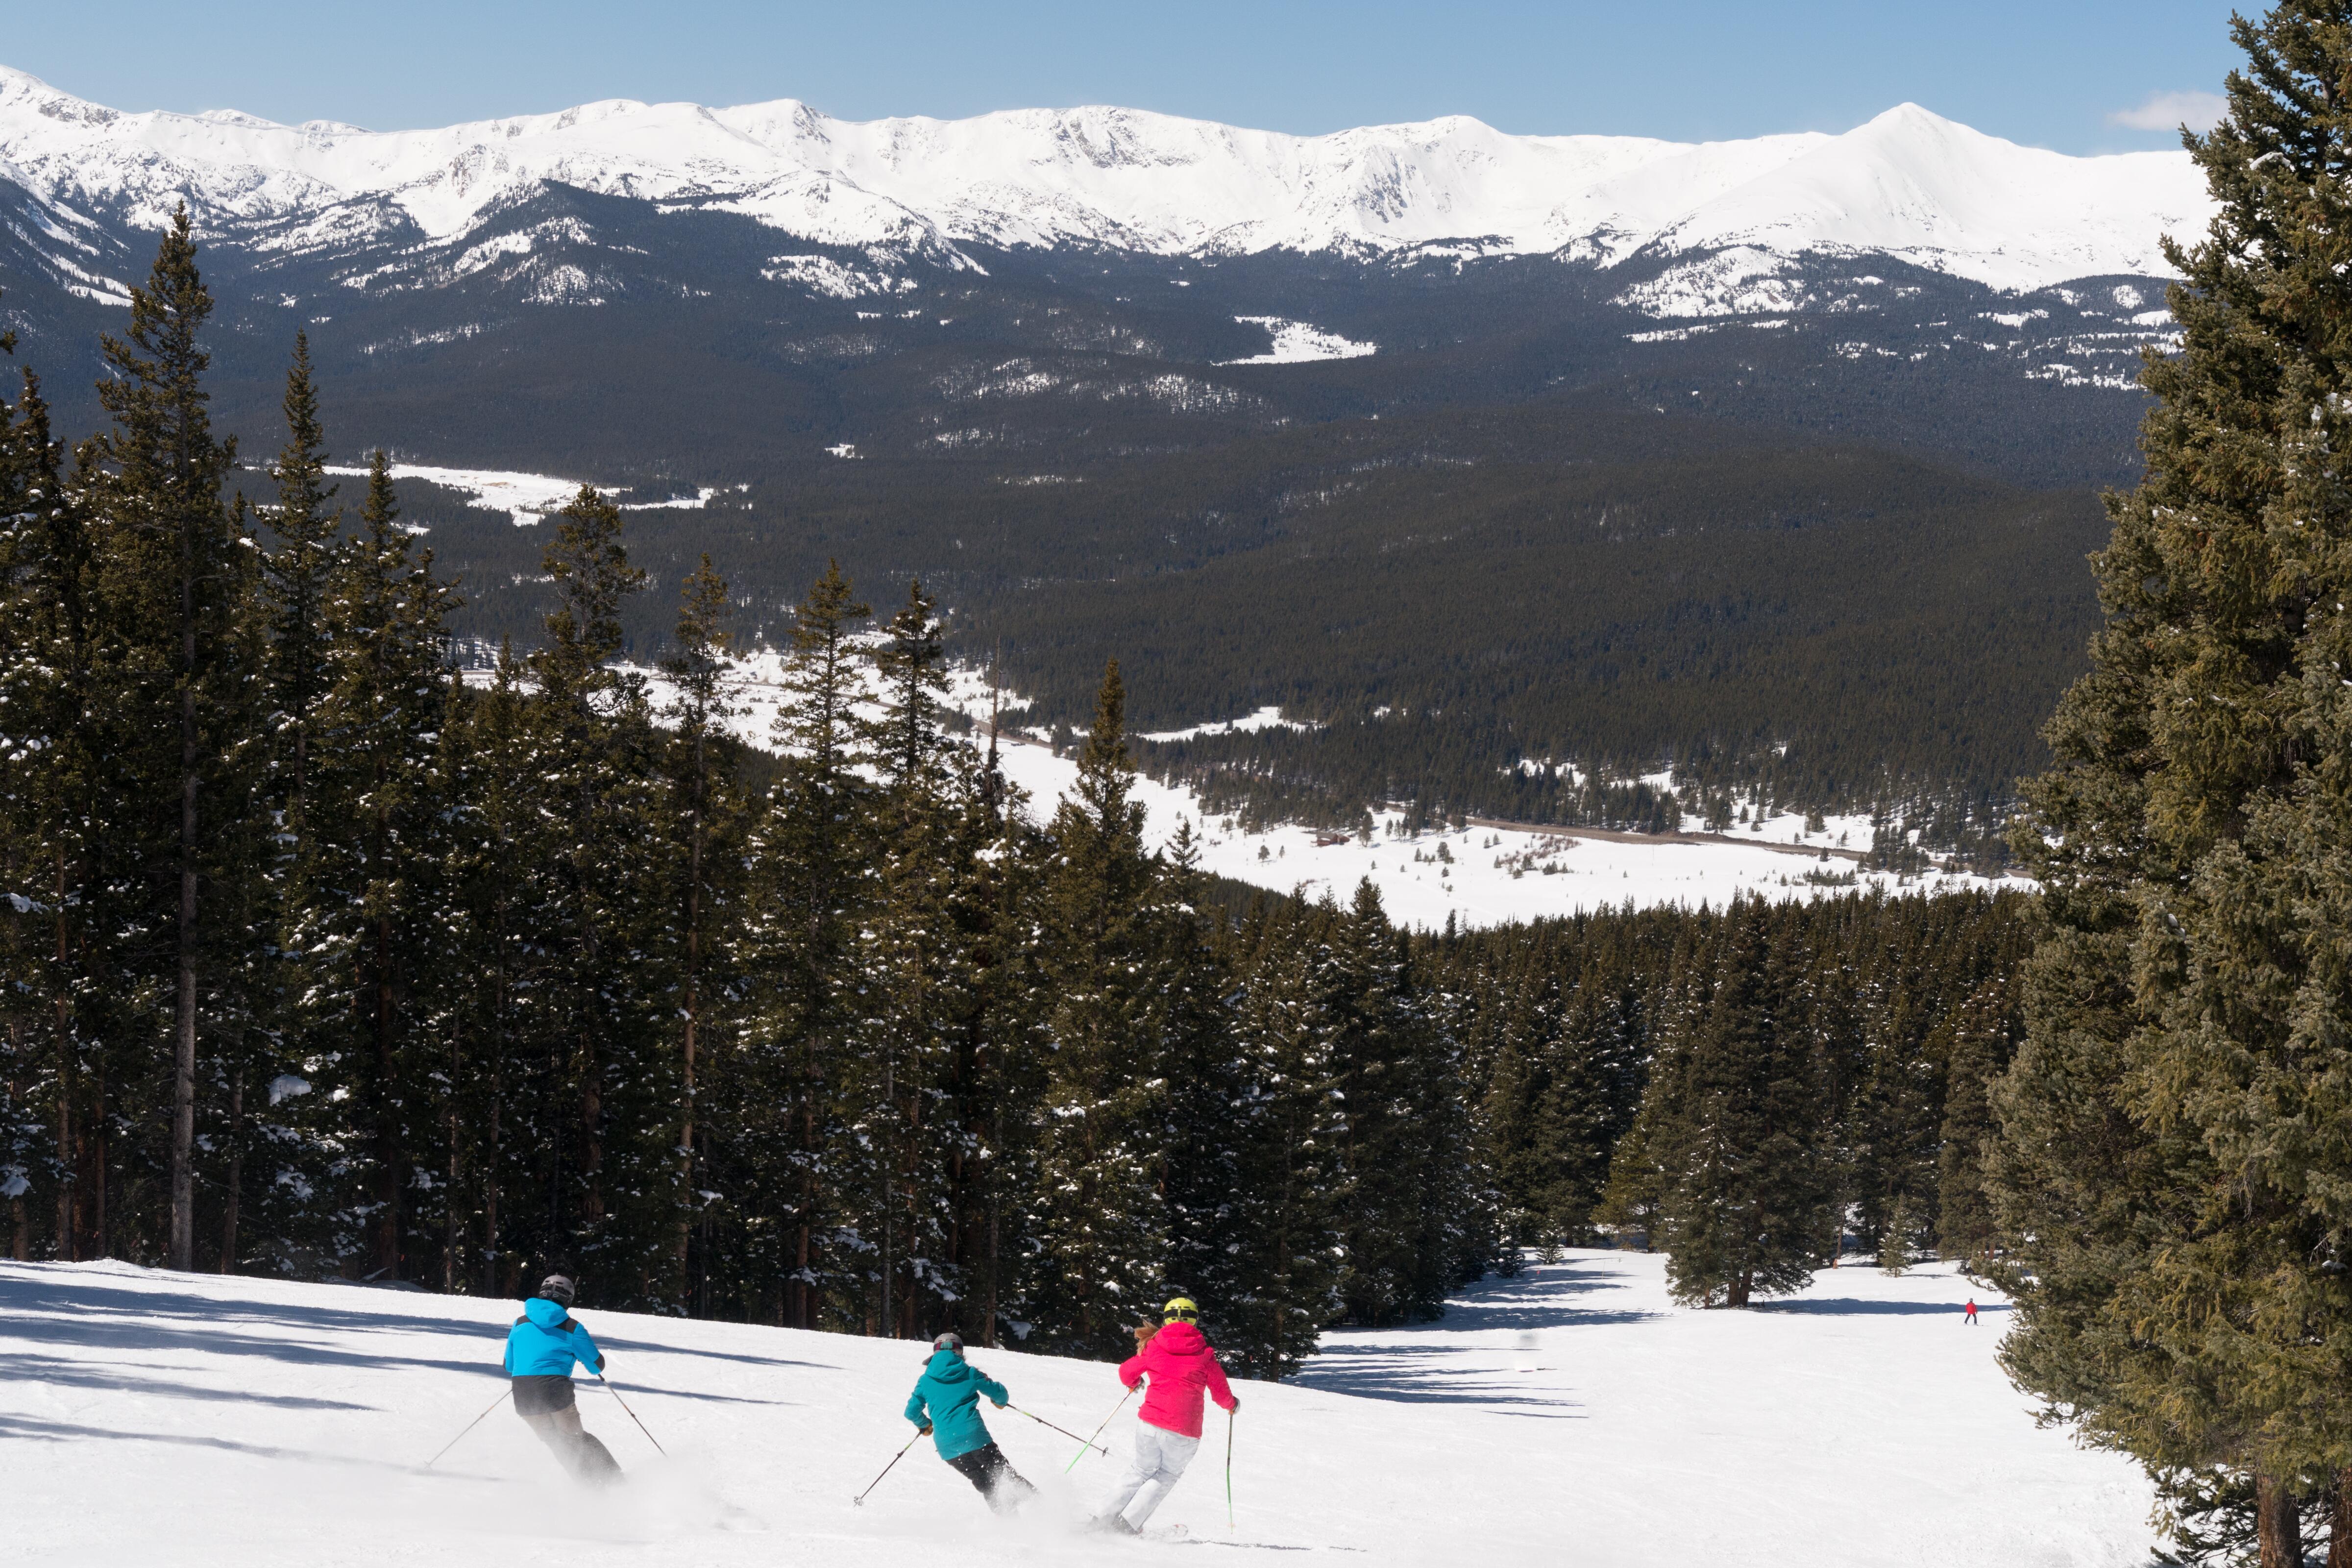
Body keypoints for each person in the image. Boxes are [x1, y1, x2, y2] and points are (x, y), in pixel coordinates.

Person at [1092, 1297, 1239, 1536]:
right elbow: (1221, 1394)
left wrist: (1134, 1381)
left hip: (1149, 1424)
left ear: (1165, 1319)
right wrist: (1233, 1406)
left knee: (1140, 1469)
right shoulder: (1204, 1353)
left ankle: (1101, 1517)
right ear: (1195, 1321)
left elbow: (1126, 1371)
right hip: (1184, 1431)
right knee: (1168, 1474)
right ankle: (1127, 1526)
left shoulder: (1154, 1346)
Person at [503, 1273, 621, 1484]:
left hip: (523, 1395)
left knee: (558, 1444)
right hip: (556, 1393)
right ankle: (615, 1480)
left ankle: (588, 1488)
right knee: (576, 1439)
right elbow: (597, 1366)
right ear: (567, 1299)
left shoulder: (519, 1323)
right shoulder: (572, 1327)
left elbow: (509, 1366)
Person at [906, 1332, 1036, 1515]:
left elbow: (911, 1412)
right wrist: (998, 1401)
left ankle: (1011, 1524)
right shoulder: (970, 1373)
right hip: (976, 1438)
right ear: (960, 1352)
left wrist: (925, 1425)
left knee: (988, 1485)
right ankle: (1053, 1514)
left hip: (948, 1449)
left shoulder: (925, 1381)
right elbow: (1001, 1396)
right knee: (1006, 1478)